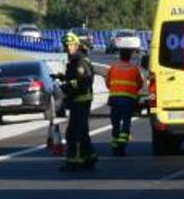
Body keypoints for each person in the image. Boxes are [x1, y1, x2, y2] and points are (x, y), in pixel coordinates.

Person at [56, 31, 96, 171]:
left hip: (80, 100)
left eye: (69, 45)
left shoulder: (79, 61)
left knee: (74, 132)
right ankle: (89, 157)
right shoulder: (76, 59)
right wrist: (62, 77)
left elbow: (83, 82)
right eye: (65, 46)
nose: (67, 48)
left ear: (76, 45)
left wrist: (66, 85)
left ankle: (75, 161)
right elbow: (76, 78)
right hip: (79, 100)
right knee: (82, 130)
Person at [105, 47, 144, 156]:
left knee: (115, 123)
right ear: (130, 57)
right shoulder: (134, 69)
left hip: (114, 99)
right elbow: (140, 83)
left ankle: (115, 144)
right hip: (128, 99)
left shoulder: (113, 67)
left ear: (120, 56)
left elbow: (108, 83)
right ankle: (121, 145)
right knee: (126, 123)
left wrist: (115, 89)